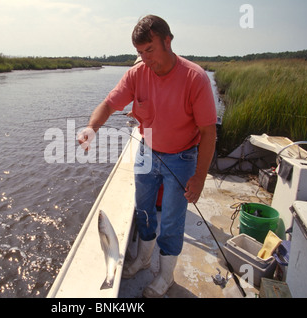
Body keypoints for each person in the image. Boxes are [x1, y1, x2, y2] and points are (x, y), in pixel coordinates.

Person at [78, 15, 217, 298]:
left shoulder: (195, 78)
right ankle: (143, 260)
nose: (145, 59)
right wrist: (92, 128)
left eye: (149, 50)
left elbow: (208, 132)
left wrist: (200, 178)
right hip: (147, 150)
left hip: (182, 158)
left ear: (168, 41)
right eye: (140, 53)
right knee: (143, 210)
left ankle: (165, 276)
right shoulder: (137, 73)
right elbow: (108, 104)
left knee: (172, 220)